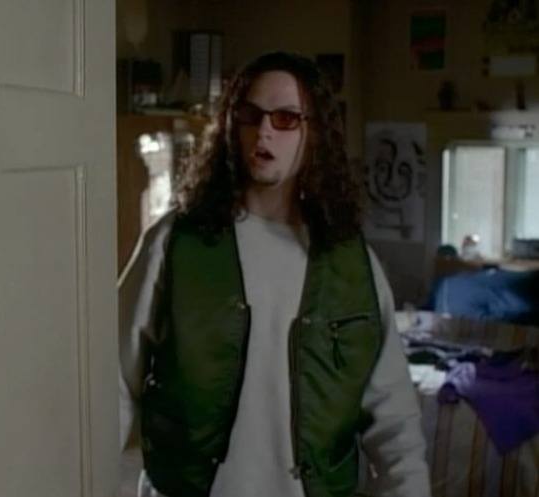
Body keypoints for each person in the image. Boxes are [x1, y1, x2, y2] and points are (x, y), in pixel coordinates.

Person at [119, 51, 430, 497]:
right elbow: (112, 382)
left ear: (314, 132)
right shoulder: (174, 244)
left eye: (285, 118)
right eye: (250, 115)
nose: (263, 131)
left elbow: (395, 420)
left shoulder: (353, 265)